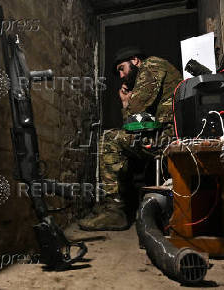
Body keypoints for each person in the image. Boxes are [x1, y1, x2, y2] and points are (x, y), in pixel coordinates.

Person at [78, 47, 182, 231]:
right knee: (122, 144)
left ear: (135, 61)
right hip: (162, 135)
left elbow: (135, 113)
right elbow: (135, 124)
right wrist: (129, 106)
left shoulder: (151, 65)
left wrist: (126, 103)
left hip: (169, 137)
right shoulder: (150, 73)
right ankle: (117, 205)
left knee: (109, 139)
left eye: (121, 68)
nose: (121, 75)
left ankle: (115, 210)